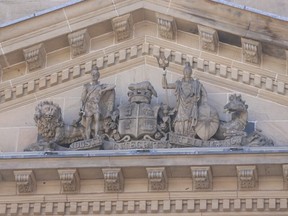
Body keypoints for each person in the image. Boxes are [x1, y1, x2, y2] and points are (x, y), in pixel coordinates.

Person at [162, 62, 207, 137]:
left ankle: (188, 135)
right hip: (181, 107)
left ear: (191, 72)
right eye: (185, 71)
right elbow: (165, 85)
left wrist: (205, 106)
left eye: (188, 71)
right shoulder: (179, 84)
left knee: (188, 122)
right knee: (180, 121)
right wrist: (164, 73)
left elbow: (204, 93)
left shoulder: (196, 84)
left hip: (192, 107)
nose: (186, 72)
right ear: (183, 72)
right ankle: (179, 135)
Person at [80, 66, 115, 139]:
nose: (93, 76)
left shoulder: (101, 86)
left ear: (98, 76)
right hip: (88, 105)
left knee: (97, 120)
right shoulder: (87, 86)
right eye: (92, 74)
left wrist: (103, 90)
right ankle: (87, 138)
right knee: (88, 122)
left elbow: (113, 86)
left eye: (95, 74)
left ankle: (96, 135)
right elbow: (83, 98)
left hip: (96, 105)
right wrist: (82, 108)